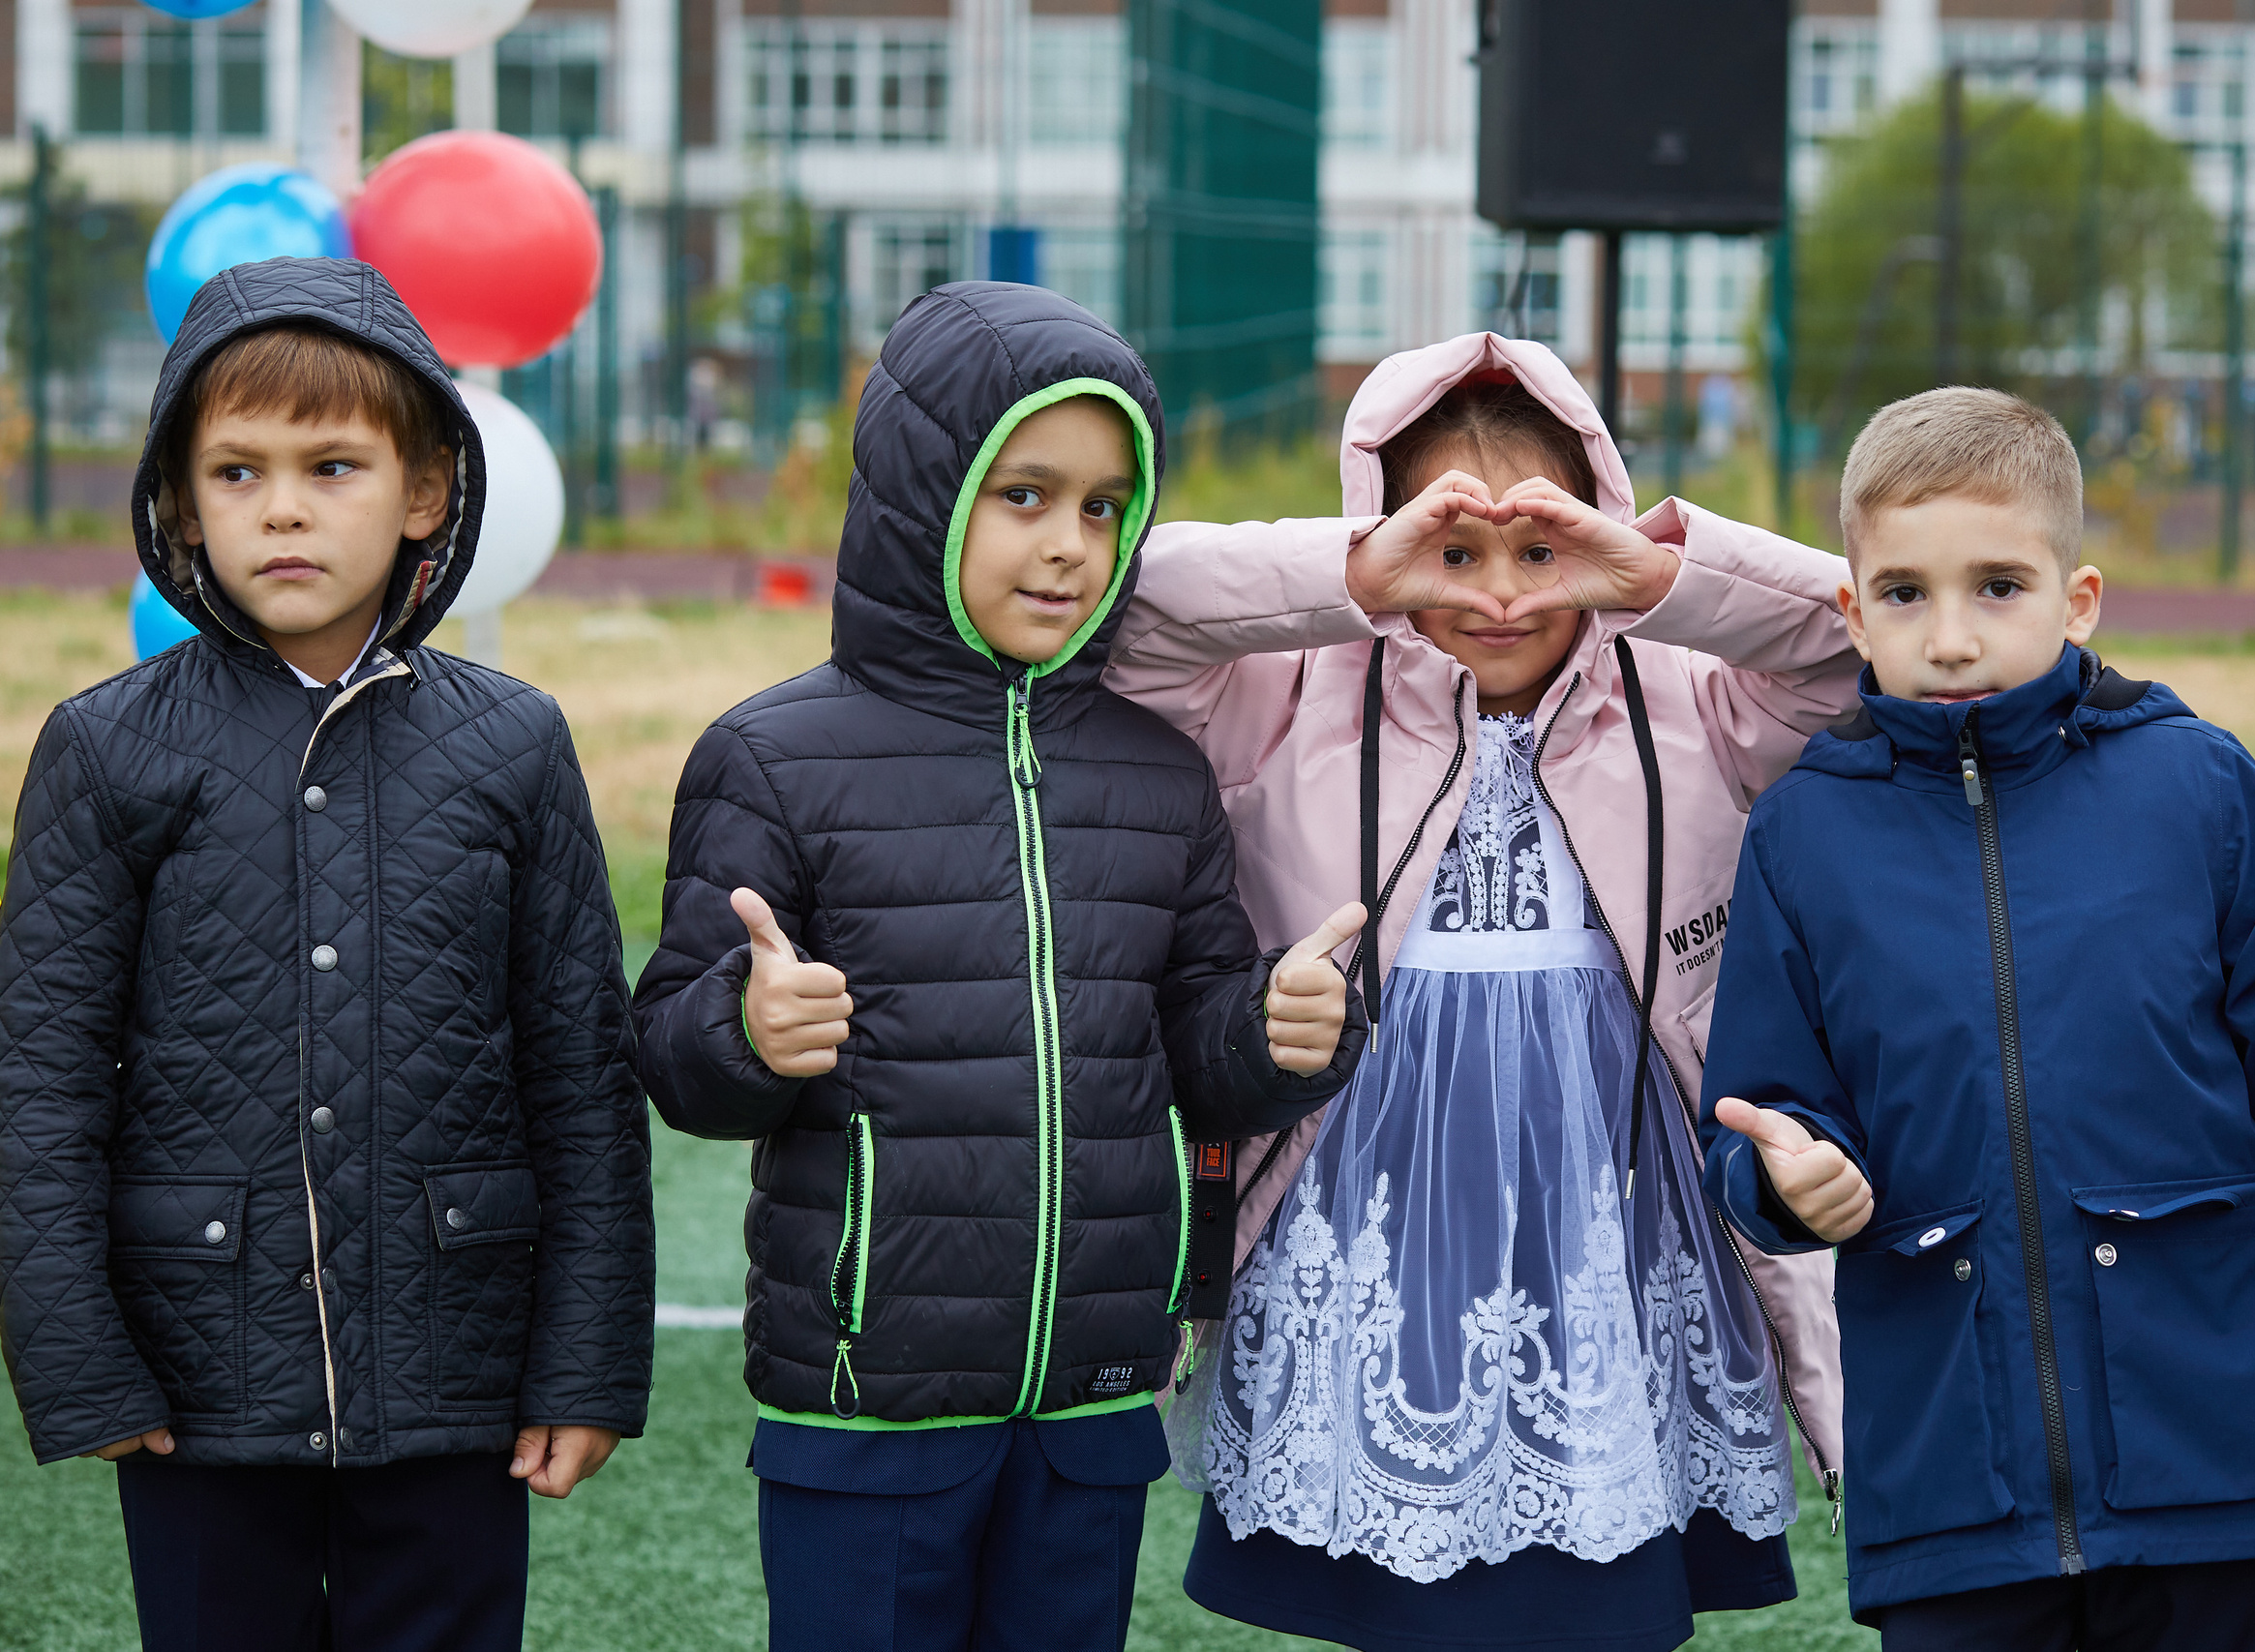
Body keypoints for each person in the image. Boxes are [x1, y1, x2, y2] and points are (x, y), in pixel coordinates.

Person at [630, 281, 1369, 1652]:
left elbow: (1197, 1052)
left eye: (1103, 508)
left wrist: (1278, 1029)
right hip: (866, 1403)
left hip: (1092, 1404)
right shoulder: (774, 757)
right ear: (924, 494)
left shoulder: (1159, 770)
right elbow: (672, 1046)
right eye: (1024, 495)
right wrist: (745, 1032)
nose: (1070, 547)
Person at [1103, 333, 1857, 1652]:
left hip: (1610, 1224)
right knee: (1399, 1596)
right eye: (1455, 556)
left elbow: (1857, 645)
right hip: (1372, 1219)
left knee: (1602, 1597)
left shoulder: (1683, 694)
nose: (1502, 596)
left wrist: (1664, 576)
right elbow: (1136, 614)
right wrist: (1349, 576)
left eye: (1542, 551)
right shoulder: (1291, 688)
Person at [1699, 386, 2255, 1650]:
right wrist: (1789, 1180)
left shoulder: (2200, 781)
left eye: (1997, 585)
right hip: (1954, 1476)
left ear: (2080, 599)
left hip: (2210, 1458)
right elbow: (1756, 1114)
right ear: (1852, 613)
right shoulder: (1803, 831)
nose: (1950, 636)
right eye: (1904, 594)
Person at [0, 256, 652, 1652]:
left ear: (424, 491)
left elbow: (581, 1078)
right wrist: (79, 1364)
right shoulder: (106, 750)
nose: (283, 505)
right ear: (178, 502)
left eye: (332, 464)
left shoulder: (513, 744)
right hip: (197, 1388)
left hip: (455, 1369)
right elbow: (40, 1086)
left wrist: (586, 1360)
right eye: (236, 471)